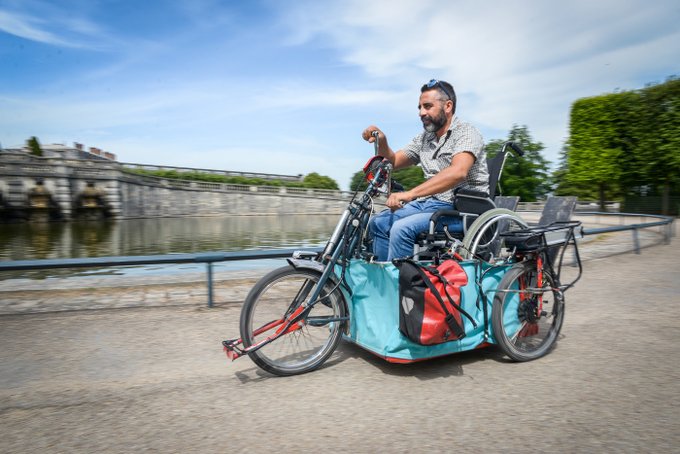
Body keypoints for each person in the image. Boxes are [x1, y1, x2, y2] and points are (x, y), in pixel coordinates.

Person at [361, 79, 489, 261]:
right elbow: (394, 160)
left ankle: (403, 284)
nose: (421, 113)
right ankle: (384, 281)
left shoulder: (466, 132)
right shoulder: (425, 138)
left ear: (448, 106)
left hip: (462, 211)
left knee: (401, 228)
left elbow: (458, 172)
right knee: (377, 223)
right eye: (420, 107)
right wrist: (382, 139)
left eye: (428, 106)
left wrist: (409, 194)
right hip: (430, 205)